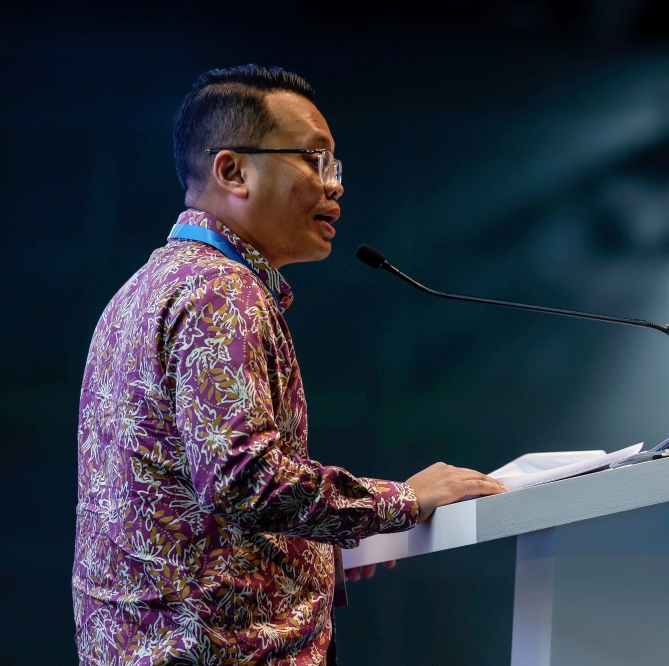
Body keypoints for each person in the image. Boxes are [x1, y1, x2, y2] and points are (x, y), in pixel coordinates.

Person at [72, 64, 508, 665]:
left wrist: (316, 549)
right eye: (313, 159)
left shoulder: (144, 289)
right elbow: (243, 480)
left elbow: (177, 509)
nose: (334, 185)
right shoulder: (220, 293)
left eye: (334, 166)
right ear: (233, 171)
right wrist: (403, 500)